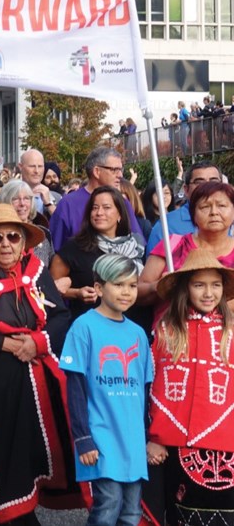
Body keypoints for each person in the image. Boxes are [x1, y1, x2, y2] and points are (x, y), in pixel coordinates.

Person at [0, 204, 88, 524]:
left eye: (13, 237)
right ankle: (18, 517)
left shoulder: (38, 270)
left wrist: (37, 343)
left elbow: (60, 316)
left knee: (48, 448)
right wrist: (7, 342)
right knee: (7, 450)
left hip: (43, 378)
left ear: (24, 241)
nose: (5, 244)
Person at [59, 254, 152, 526]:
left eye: (132, 285)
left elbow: (145, 390)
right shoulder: (84, 327)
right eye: (118, 284)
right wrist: (83, 438)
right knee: (109, 503)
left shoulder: (138, 334)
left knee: (132, 511)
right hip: (101, 433)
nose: (126, 292)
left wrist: (146, 436)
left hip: (132, 437)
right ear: (99, 288)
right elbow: (75, 387)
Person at [146, 249, 234, 525]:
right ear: (186, 289)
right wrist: (155, 436)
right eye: (199, 285)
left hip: (228, 444)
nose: (209, 293)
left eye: (215, 285)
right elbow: (155, 388)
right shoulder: (166, 332)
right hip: (175, 445)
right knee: (180, 513)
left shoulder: (231, 333)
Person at [139, 181, 234, 319]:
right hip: (175, 334)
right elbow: (139, 292)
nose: (214, 212)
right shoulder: (172, 244)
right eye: (205, 207)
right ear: (193, 214)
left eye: (222, 206)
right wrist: (160, 286)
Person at [51, 186, 145, 322]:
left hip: (129, 325)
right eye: (94, 208)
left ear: (120, 214)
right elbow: (50, 287)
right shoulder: (75, 247)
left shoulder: (135, 246)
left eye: (106, 207)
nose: (99, 212)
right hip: (89, 327)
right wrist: (76, 293)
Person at [49, 147, 142, 251]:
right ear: (97, 172)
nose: (120, 175)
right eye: (114, 170)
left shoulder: (122, 203)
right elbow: (55, 250)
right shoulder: (68, 204)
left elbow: (138, 246)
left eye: (121, 169)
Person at [145, 161, 221, 255]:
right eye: (199, 182)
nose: (207, 187)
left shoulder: (228, 219)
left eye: (214, 181)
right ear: (186, 189)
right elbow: (153, 267)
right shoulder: (166, 225)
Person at [0, 180, 54, 267]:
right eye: (15, 199)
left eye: (26, 198)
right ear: (4, 202)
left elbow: (51, 271)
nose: (22, 204)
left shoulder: (43, 234)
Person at [19, 149, 56, 216]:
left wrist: (49, 204)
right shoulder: (9, 195)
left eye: (40, 166)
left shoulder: (57, 198)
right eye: (32, 166)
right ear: (20, 167)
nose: (36, 171)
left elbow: (64, 224)